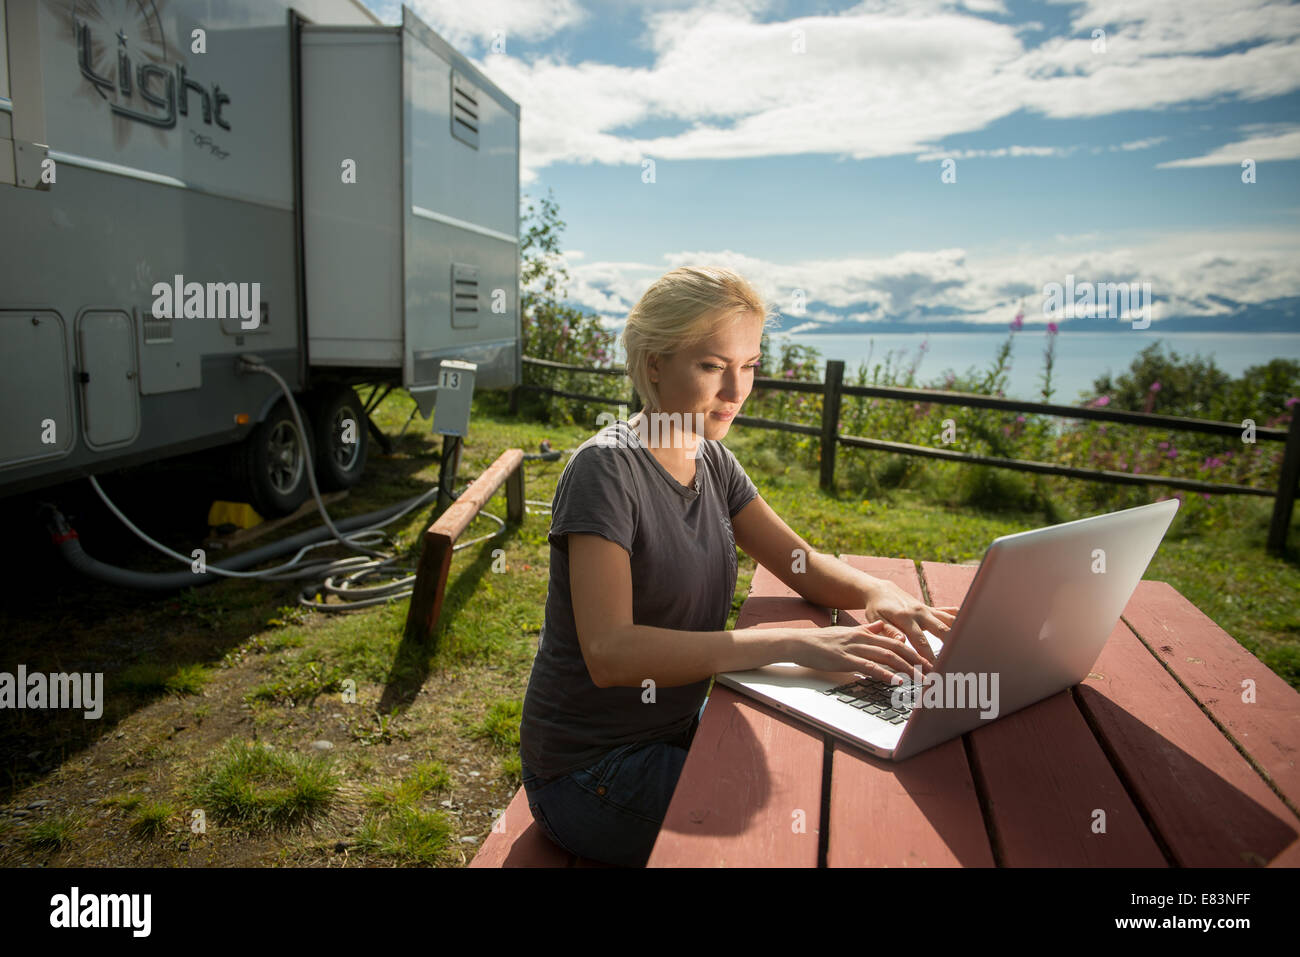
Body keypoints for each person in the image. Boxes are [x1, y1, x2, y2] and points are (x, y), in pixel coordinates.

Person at [518, 265, 957, 866]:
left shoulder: (713, 461)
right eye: (711, 365)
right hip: (589, 773)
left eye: (748, 365)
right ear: (653, 363)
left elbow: (799, 562)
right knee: (806, 834)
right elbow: (611, 653)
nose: (736, 390)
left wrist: (877, 589)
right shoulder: (606, 470)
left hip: (678, 726)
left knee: (838, 776)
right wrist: (789, 645)